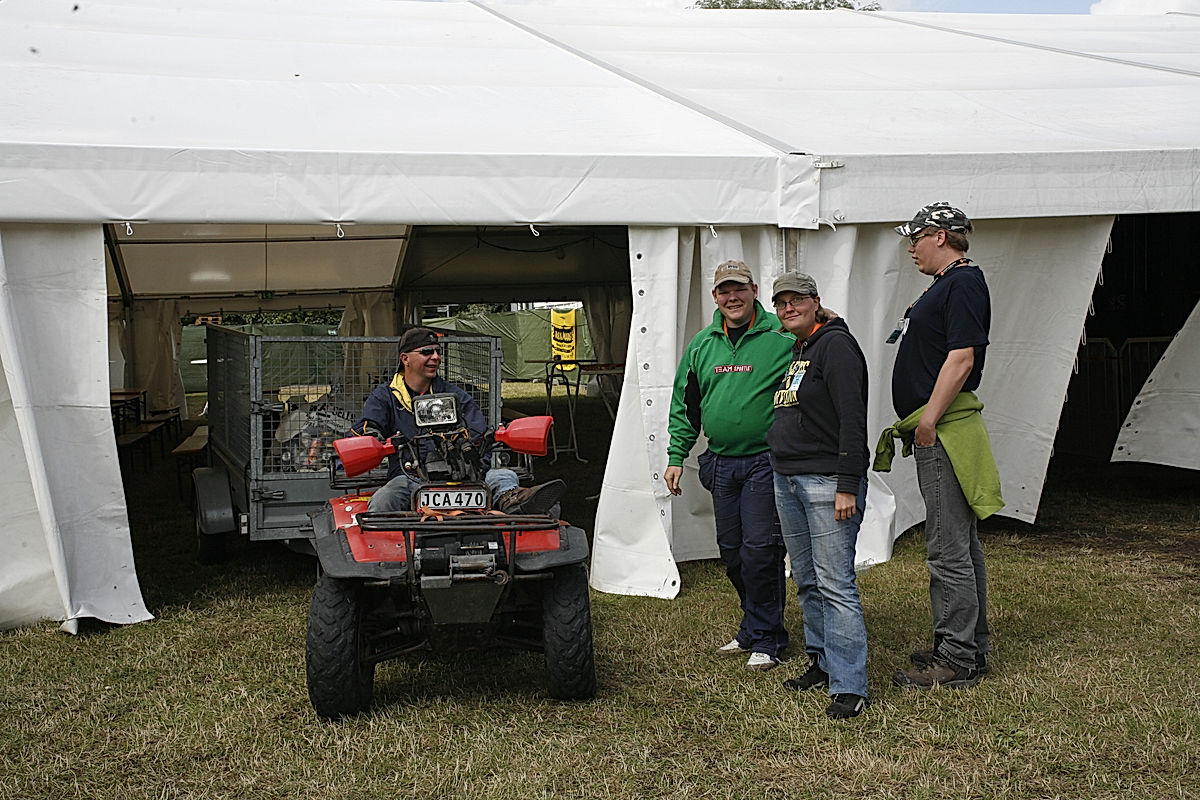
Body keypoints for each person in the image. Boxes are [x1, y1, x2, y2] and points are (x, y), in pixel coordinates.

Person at [879, 202, 1003, 690]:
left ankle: (955, 659)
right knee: (960, 544)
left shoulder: (964, 281)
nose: (910, 247)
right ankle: (969, 644)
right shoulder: (946, 284)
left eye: (915, 237)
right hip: (939, 426)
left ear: (939, 236)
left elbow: (962, 356)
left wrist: (929, 419)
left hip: (944, 427)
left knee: (947, 546)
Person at [664, 260, 795, 672]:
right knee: (733, 552)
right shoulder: (703, 344)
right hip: (720, 463)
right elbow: (685, 405)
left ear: (754, 290)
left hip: (764, 461)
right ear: (715, 297)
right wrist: (675, 456)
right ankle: (753, 626)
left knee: (761, 551)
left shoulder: (783, 334)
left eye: (739, 289)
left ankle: (769, 638)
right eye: (724, 291)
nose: (732, 297)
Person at [766, 273, 871, 720]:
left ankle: (850, 686)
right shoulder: (801, 348)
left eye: (797, 300)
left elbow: (853, 417)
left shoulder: (836, 346)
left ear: (815, 302)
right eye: (781, 303)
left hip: (827, 482)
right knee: (806, 578)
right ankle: (822, 661)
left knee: (835, 584)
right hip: (789, 478)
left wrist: (848, 483)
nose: (788, 308)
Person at [352, 327, 564, 515]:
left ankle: (515, 502)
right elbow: (366, 427)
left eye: (437, 352)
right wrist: (374, 439)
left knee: (503, 476)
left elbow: (479, 432)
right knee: (383, 500)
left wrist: (478, 451)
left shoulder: (456, 394)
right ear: (405, 359)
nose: (435, 357)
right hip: (411, 477)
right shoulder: (385, 396)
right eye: (427, 352)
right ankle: (388, 555)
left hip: (466, 477)